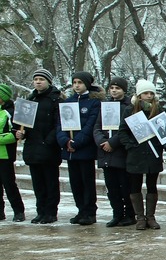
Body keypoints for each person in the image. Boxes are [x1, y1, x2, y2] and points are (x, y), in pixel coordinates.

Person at [57, 71, 103, 225]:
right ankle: (81, 209)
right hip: (70, 150)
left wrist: (77, 142)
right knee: (75, 181)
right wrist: (65, 141)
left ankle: (90, 211)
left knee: (87, 181)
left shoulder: (93, 102)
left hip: (84, 149)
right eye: (75, 82)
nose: (77, 85)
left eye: (80, 83)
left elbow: (91, 125)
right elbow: (60, 125)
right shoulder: (67, 102)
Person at [118, 80, 166, 230]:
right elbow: (123, 131)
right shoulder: (130, 110)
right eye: (146, 93)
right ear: (139, 95)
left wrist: (161, 144)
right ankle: (140, 217)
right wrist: (130, 145)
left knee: (152, 185)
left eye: (151, 93)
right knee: (135, 185)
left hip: (153, 153)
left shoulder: (158, 110)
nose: (149, 96)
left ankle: (150, 217)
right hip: (136, 154)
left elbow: (164, 130)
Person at [16, 69, 62, 223]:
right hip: (33, 148)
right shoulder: (30, 100)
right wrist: (21, 133)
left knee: (50, 182)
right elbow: (23, 124)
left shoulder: (56, 99)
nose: (38, 82)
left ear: (48, 81)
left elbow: (59, 123)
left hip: (49, 147)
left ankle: (50, 212)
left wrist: (49, 140)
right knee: (38, 184)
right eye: (35, 79)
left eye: (41, 79)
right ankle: (40, 211)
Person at [93, 77, 134, 227]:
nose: (114, 91)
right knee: (112, 188)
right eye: (112, 88)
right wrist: (101, 142)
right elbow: (97, 127)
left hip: (121, 152)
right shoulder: (105, 106)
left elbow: (128, 128)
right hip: (105, 153)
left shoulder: (129, 106)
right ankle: (117, 214)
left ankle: (129, 214)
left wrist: (112, 142)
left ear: (124, 90)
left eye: (117, 88)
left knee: (125, 186)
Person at [0, 84, 26, 222]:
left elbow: (15, 134)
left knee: (9, 184)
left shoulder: (10, 112)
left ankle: (18, 211)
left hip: (5, 154)